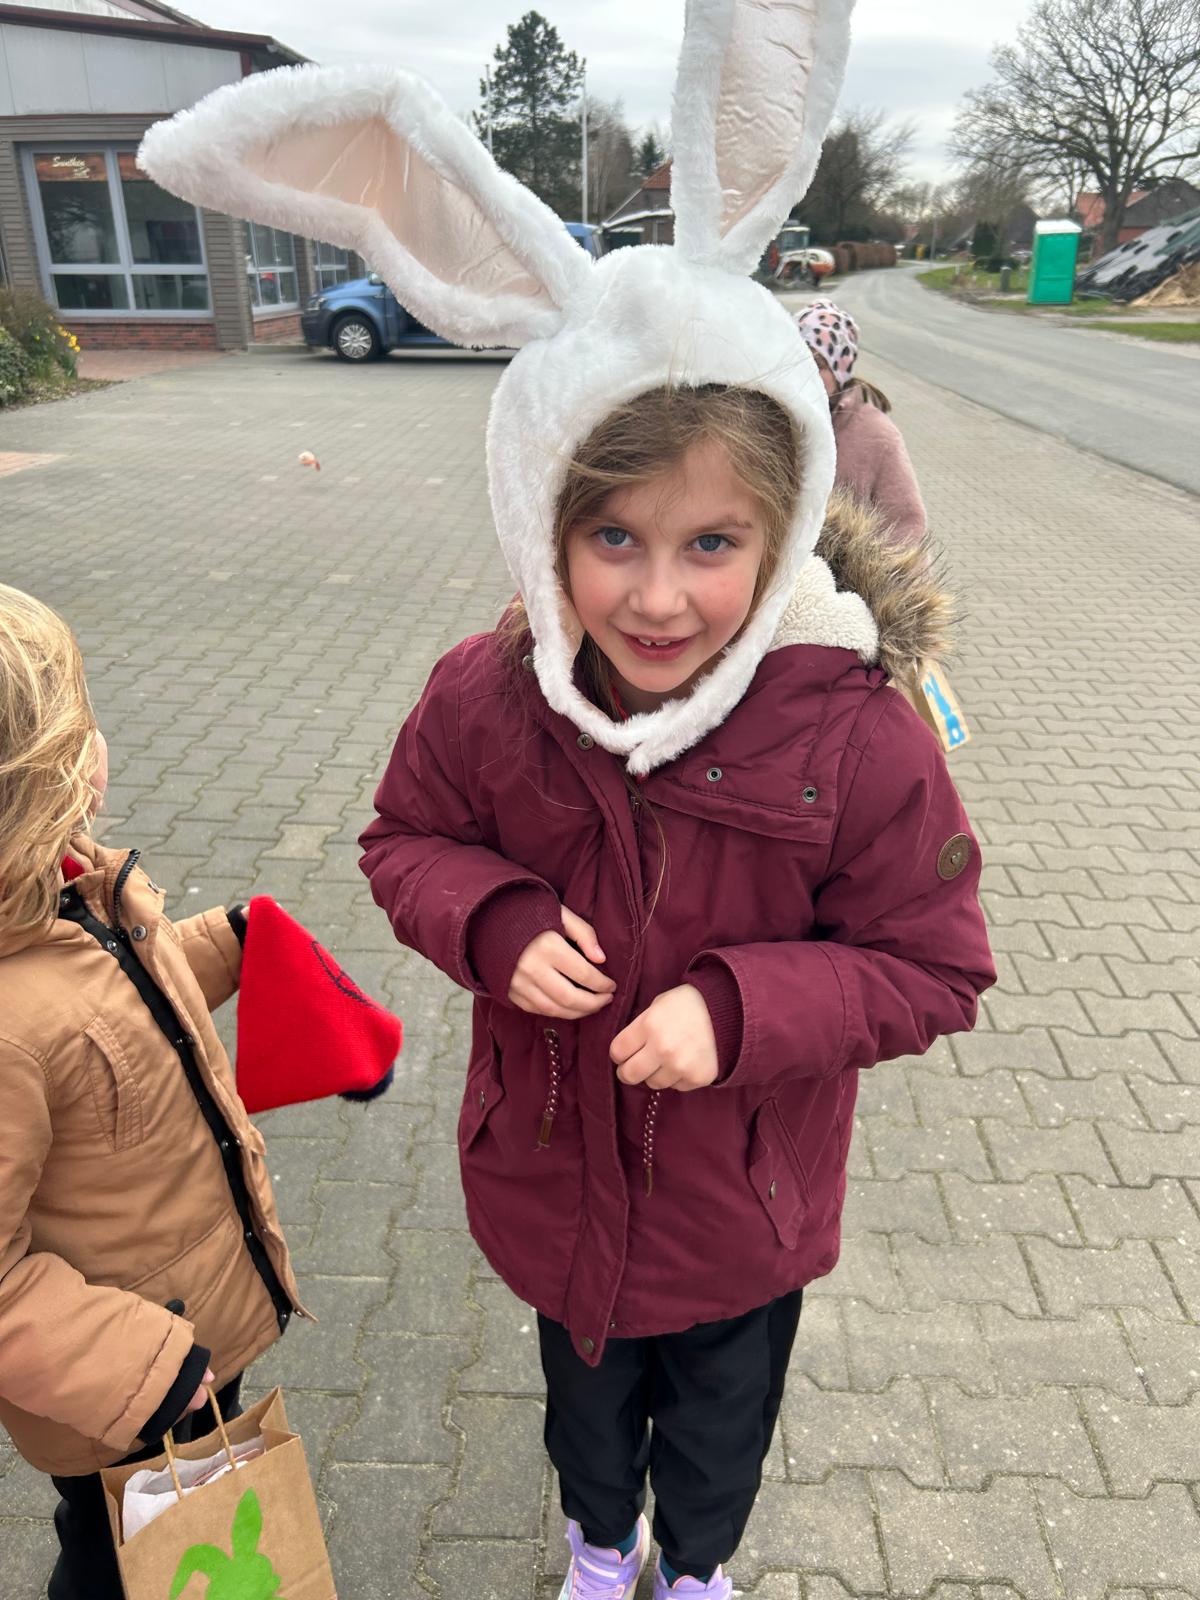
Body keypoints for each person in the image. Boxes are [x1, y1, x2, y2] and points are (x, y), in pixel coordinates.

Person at [135, 2, 995, 1593]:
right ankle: (601, 1549)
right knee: (585, 1410)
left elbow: (933, 965)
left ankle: (695, 1567)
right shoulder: (486, 697)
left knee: (719, 1430)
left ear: (785, 525)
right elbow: (404, 838)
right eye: (613, 540)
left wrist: (742, 1011)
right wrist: (495, 920)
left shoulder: (858, 731)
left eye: (711, 544)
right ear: (546, 521)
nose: (658, 597)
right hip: (552, 1176)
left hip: (744, 1206)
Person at [0, 584, 302, 1600]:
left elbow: (115, 1012)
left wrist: (229, 943)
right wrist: (144, 1368)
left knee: (185, 1553)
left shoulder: (66, 889)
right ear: (45, 776)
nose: (102, 743)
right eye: (82, 727)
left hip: (187, 1328)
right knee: (114, 1560)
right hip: (124, 1380)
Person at [795, 298, 928, 547]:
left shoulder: (877, 435)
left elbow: (905, 526)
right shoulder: (774, 421)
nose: (806, 372)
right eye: (798, 360)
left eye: (818, 364)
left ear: (839, 370)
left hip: (843, 569)